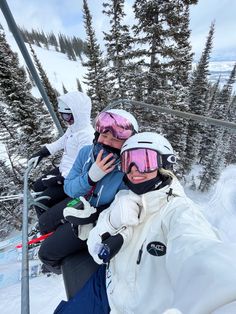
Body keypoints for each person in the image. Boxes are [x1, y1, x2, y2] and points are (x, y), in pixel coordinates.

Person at [86, 132, 236, 314]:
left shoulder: (180, 212)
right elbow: (94, 251)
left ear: (164, 164)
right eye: (128, 161)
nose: (134, 169)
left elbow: (198, 253)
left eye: (145, 161)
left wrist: (225, 299)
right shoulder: (122, 198)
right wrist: (111, 222)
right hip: (109, 299)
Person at [38, 109, 139, 275]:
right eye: (104, 135)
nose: (106, 142)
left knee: (46, 253)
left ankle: (57, 267)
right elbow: (69, 187)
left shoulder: (128, 169)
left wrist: (94, 216)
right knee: (44, 223)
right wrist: (90, 177)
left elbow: (124, 207)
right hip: (80, 202)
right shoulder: (86, 152)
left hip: (97, 218)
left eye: (115, 139)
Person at [28, 91, 94, 217]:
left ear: (78, 114)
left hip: (71, 179)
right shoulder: (74, 129)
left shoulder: (86, 136)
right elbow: (60, 142)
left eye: (67, 116)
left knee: (42, 202)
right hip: (63, 170)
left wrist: (59, 180)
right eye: (63, 116)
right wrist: (42, 153)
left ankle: (49, 223)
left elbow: (82, 167)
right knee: (37, 186)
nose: (65, 121)